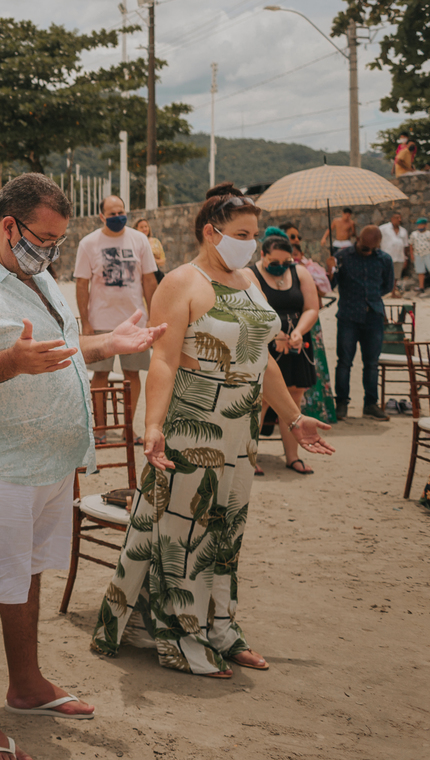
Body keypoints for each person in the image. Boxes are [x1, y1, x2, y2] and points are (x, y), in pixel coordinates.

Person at [0, 173, 167, 758]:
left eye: (60, 241)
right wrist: (10, 362)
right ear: (9, 225)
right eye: (46, 239)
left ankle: (26, 684)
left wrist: (106, 345)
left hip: (45, 461)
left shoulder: (34, 273)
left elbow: (56, 350)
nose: (53, 251)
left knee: (24, 572)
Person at [92, 183, 334, 679]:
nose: (250, 243)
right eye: (241, 234)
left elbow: (262, 359)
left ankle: (220, 626)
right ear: (211, 232)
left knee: (226, 531)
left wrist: (293, 417)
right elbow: (162, 361)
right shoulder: (181, 282)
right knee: (186, 531)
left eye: (252, 234)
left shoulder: (249, 280)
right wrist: (152, 425)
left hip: (241, 429)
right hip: (194, 424)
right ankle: (182, 636)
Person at [75, 194, 158, 442]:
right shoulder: (88, 243)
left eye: (121, 212)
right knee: (100, 376)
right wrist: (86, 322)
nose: (118, 217)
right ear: (102, 216)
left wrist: (152, 316)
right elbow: (81, 285)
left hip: (135, 321)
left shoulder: (139, 240)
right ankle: (100, 430)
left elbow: (149, 280)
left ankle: (128, 430)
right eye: (112, 213)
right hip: (101, 322)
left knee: (133, 375)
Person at [250, 228, 322, 474]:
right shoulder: (250, 275)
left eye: (286, 262)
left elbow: (311, 308)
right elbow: (248, 312)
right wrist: (274, 333)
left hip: (296, 344)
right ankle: (248, 457)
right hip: (265, 343)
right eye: (274, 262)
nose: (280, 267)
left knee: (293, 400)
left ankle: (293, 456)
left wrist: (299, 332)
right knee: (260, 400)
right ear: (262, 255)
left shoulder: (300, 273)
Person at [331, 225, 394, 421]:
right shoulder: (342, 257)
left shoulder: (384, 259)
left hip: (373, 316)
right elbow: (330, 284)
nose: (367, 251)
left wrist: (371, 296)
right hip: (348, 317)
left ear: (378, 245)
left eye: (371, 248)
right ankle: (341, 403)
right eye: (364, 247)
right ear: (358, 239)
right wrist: (330, 270)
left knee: (372, 363)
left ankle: (370, 404)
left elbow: (387, 285)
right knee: (344, 362)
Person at [284, 224, 337, 425]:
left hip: (309, 323)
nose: (296, 240)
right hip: (287, 324)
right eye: (292, 236)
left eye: (297, 236)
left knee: (312, 364)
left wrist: (330, 270)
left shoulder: (307, 266)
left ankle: (313, 411)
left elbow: (323, 291)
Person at [378, 214, 410, 297]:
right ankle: (380, 291)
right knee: (383, 274)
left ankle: (393, 292)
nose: (399, 220)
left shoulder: (403, 231)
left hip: (399, 256)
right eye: (397, 218)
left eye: (400, 218)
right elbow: (378, 240)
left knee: (396, 275)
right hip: (386, 255)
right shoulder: (383, 228)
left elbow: (405, 245)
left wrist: (405, 257)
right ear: (392, 219)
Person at [410, 217, 430, 294]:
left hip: (428, 253)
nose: (420, 226)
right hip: (418, 254)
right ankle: (421, 286)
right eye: (419, 225)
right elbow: (411, 244)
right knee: (420, 271)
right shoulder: (414, 234)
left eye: (421, 225)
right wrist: (412, 254)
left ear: (425, 225)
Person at [135, 217, 166, 283]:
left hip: (155, 274)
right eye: (141, 227)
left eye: (146, 226)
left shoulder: (155, 242)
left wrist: (152, 261)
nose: (144, 229)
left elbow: (163, 261)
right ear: (136, 229)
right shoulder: (134, 243)